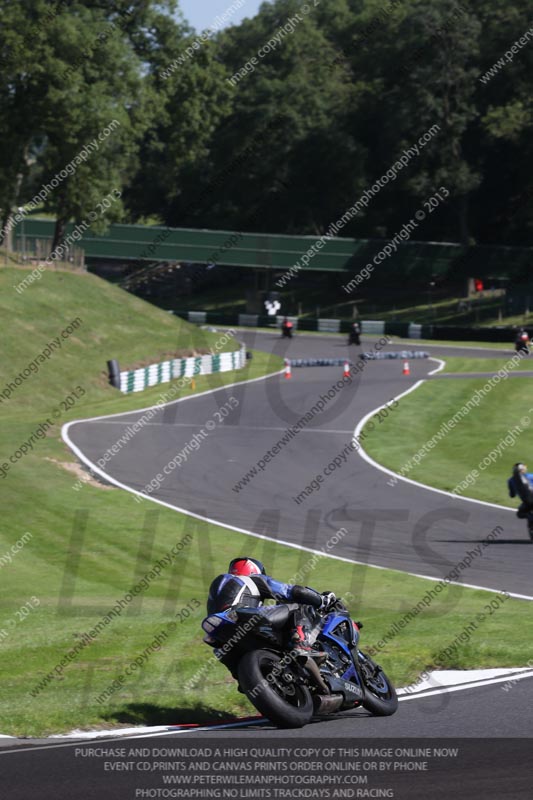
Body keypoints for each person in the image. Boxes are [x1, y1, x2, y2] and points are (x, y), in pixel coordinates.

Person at [205, 557, 336, 674]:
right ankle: (302, 645)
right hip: (243, 617)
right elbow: (294, 592)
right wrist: (322, 600)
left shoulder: (218, 586)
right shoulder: (252, 579)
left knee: (226, 653)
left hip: (219, 633)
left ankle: (245, 677)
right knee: (299, 607)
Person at [508, 463, 533, 540]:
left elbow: (512, 495)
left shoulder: (510, 480)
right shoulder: (530, 476)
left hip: (527, 502)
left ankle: (530, 517)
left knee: (520, 513)